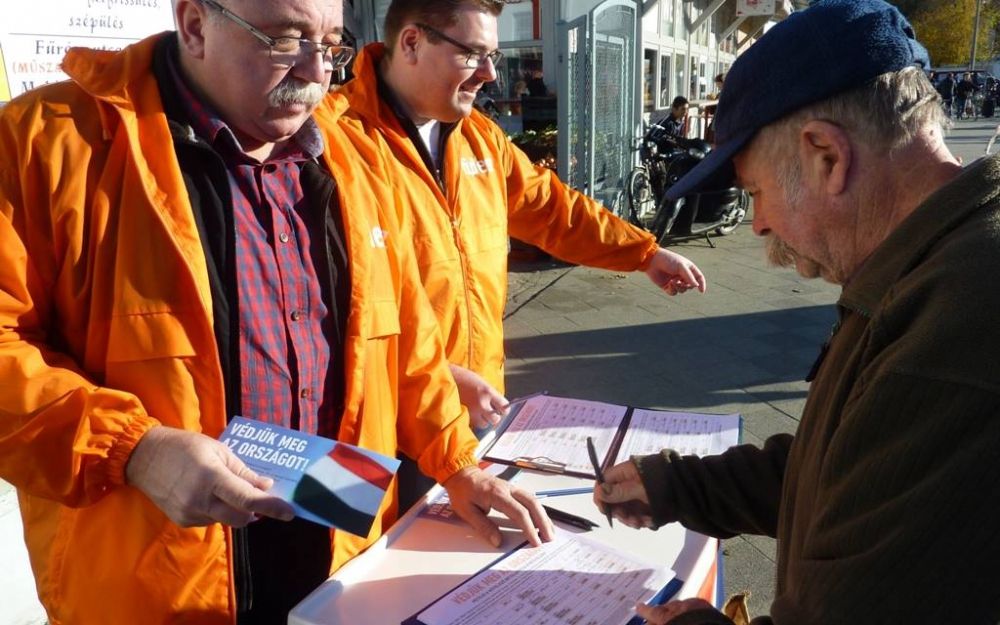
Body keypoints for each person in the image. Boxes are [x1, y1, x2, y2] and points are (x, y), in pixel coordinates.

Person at [0, 0, 553, 623]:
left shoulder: (351, 160)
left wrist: (456, 464)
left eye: (333, 45)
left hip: (337, 558)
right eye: (287, 40)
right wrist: (135, 449)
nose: (319, 72)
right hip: (154, 581)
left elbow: (405, 342)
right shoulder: (47, 141)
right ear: (194, 25)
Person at [594, 1, 1000, 623]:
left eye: (755, 192)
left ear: (826, 156)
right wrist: (680, 487)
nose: (756, 222)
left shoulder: (955, 323)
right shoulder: (931, 267)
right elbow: (851, 470)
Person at [328, 0, 706, 509]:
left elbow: (553, 210)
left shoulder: (480, 138)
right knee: (381, 569)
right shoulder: (335, 140)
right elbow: (330, 302)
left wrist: (643, 253)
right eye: (473, 54)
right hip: (382, 421)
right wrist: (438, 375)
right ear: (412, 43)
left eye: (494, 57)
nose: (488, 73)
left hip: (475, 408)